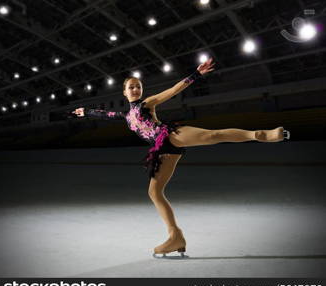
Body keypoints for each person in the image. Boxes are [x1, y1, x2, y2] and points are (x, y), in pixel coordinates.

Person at [72, 58, 290, 258]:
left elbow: (173, 90)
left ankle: (261, 134)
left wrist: (196, 74)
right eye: (131, 87)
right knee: (154, 192)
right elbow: (105, 114)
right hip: (161, 151)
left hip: (170, 136)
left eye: (138, 86)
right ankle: (175, 236)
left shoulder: (147, 104)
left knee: (212, 135)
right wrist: (85, 112)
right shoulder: (127, 117)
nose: (136, 89)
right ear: (124, 92)